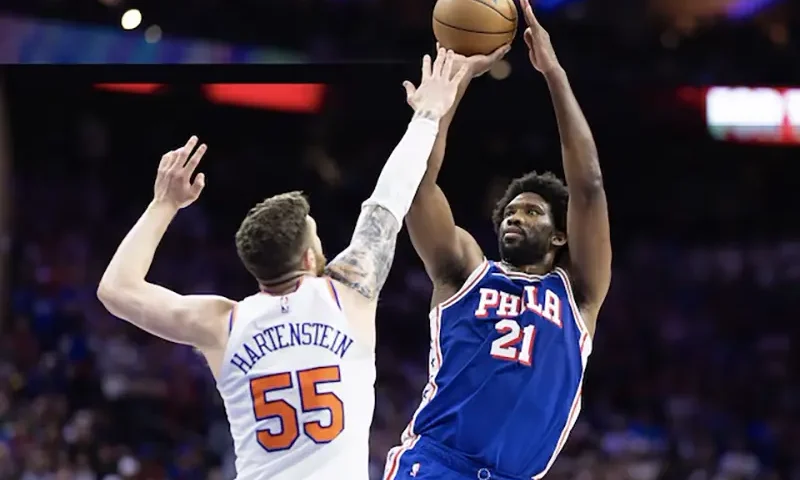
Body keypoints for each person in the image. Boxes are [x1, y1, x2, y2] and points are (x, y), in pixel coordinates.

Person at [96, 49, 469, 480]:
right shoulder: (349, 293)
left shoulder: (223, 323)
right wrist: (427, 115)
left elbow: (116, 289)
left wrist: (164, 204)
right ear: (310, 257)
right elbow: (388, 201)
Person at [385, 5, 611, 480]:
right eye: (510, 211)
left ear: (559, 234)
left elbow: (588, 184)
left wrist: (554, 73)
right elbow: (419, 187)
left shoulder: (579, 295)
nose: (515, 217)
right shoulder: (466, 269)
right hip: (436, 464)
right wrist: (448, 93)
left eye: (531, 211)